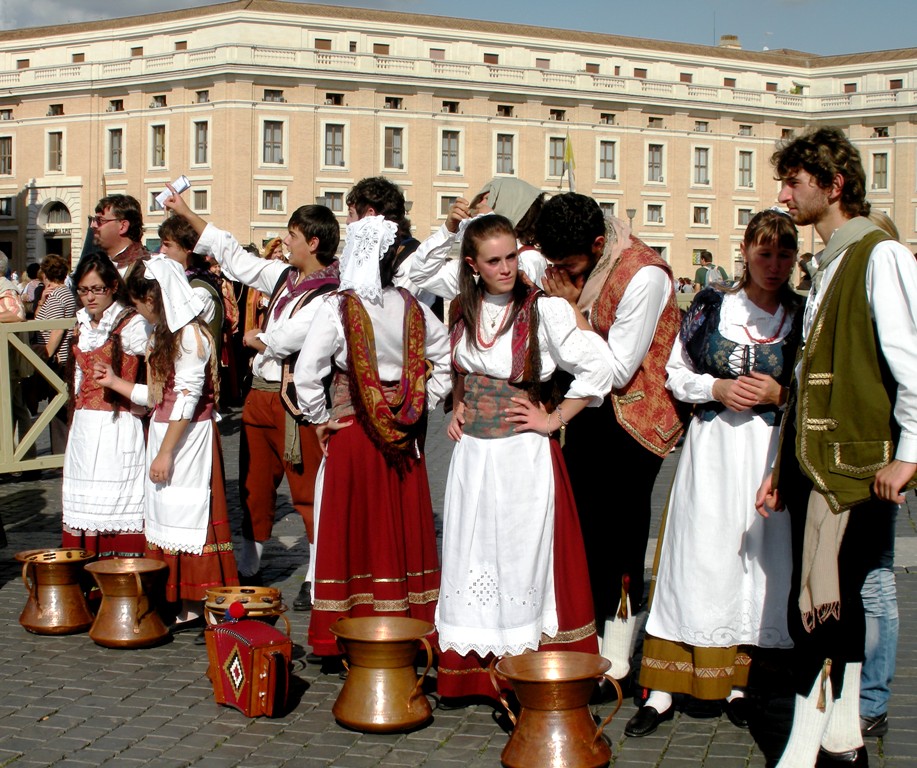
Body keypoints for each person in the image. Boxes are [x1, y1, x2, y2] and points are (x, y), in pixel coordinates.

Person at [756, 126, 917, 767]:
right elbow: (806, 379)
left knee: (828, 608)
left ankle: (808, 747)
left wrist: (909, 454)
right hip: (814, 464)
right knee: (827, 607)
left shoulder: (880, 255)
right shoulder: (829, 262)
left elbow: (911, 363)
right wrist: (780, 467)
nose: (783, 194)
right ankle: (843, 741)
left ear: (834, 184)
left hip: (853, 466)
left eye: (793, 181)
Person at [626, 209, 803, 738]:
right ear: (745, 251)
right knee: (696, 558)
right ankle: (663, 689)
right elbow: (676, 373)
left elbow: (820, 387)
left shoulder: (802, 314)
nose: (774, 264)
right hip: (712, 450)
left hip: (767, 455)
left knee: (757, 566)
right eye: (765, 253)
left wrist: (781, 394)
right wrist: (717, 388)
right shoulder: (712, 307)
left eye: (785, 254)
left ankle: (739, 684)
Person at [435, 213, 611, 701]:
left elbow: (599, 367)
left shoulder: (542, 310)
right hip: (473, 456)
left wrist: (554, 420)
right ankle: (475, 674)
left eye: (511, 256)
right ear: (473, 265)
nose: (507, 268)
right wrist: (459, 405)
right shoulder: (463, 308)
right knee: (475, 553)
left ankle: (527, 669)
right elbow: (461, 368)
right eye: (494, 260)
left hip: (521, 456)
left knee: (520, 557)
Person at [535, 193, 686, 685]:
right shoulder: (582, 265)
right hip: (589, 413)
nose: (562, 273)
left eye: (570, 265)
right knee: (584, 532)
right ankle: (587, 638)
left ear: (598, 245)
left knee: (620, 536)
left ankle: (617, 653)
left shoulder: (644, 275)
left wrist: (567, 308)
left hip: (634, 421)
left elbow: (619, 369)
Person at [165, 190, 340, 611]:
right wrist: (186, 212)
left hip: (297, 401)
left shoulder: (331, 292)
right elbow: (234, 256)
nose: (285, 241)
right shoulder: (284, 276)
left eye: (292, 235)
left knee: (306, 489)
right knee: (254, 485)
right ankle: (250, 563)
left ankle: (317, 574)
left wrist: (257, 338)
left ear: (313, 242)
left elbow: (286, 338)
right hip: (260, 394)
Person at [293, 215, 450, 661]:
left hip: (355, 430)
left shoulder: (337, 307)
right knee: (396, 526)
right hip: (404, 435)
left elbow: (307, 373)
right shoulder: (412, 306)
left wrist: (319, 417)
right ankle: (407, 623)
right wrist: (420, 402)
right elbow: (446, 357)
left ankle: (349, 627)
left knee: (353, 527)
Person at [96, 256, 238, 628]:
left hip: (188, 439)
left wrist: (165, 453)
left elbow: (187, 400)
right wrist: (114, 382)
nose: (139, 311)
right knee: (168, 515)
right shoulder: (165, 332)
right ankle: (181, 599)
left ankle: (202, 599)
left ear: (154, 298)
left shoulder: (190, 336)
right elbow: (161, 397)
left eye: (140, 303)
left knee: (190, 517)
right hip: (169, 431)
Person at [62, 254, 150, 558]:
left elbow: (160, 368)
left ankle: (119, 574)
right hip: (85, 429)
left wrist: (134, 395)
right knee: (84, 503)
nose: (90, 297)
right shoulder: (82, 323)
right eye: (84, 290)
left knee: (116, 501)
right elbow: (78, 376)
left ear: (113, 286)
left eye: (97, 289)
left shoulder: (131, 324)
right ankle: (84, 573)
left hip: (117, 426)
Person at [409, 177, 549, 299]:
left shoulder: (531, 257)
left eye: (487, 199)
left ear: (510, 205)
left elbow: (513, 289)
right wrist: (448, 230)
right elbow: (421, 274)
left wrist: (492, 225)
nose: (479, 204)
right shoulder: (477, 261)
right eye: (480, 198)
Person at [157, 214, 223, 358]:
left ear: (188, 248)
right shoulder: (186, 281)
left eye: (167, 245)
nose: (162, 250)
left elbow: (178, 338)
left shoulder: (198, 291)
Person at [33, 254, 77, 454]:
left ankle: (61, 455)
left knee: (58, 408)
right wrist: (41, 301)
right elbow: (39, 320)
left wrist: (47, 355)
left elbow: (57, 330)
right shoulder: (59, 293)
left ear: (45, 273)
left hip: (58, 358)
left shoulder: (59, 295)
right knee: (56, 406)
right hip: (57, 357)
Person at [0, 251, 38, 475]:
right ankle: (25, 457)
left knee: (11, 407)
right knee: (16, 407)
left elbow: (17, 314)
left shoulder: (5, 288)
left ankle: (16, 459)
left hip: (8, 360)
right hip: (7, 359)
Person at [87, 194, 149, 277]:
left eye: (100, 220)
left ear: (123, 226)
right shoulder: (95, 264)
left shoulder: (148, 270)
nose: (93, 225)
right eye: (93, 220)